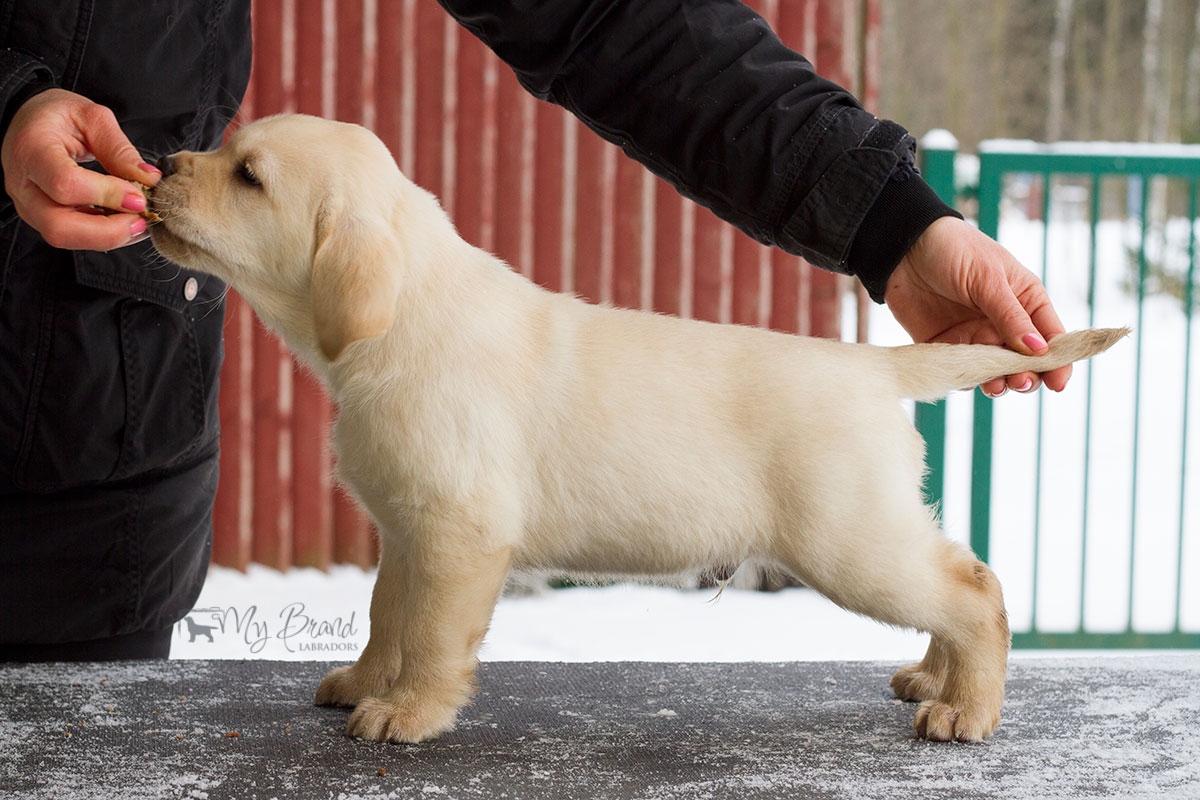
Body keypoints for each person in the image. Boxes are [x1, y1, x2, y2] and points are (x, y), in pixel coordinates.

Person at [0, 0, 1066, 661]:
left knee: (862, 554)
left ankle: (966, 621)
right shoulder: (397, 344)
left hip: (78, 496)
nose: (194, 168)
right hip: (95, 457)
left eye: (246, 170)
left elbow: (615, 18)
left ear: (349, 262)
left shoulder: (408, 332)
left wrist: (892, 223)